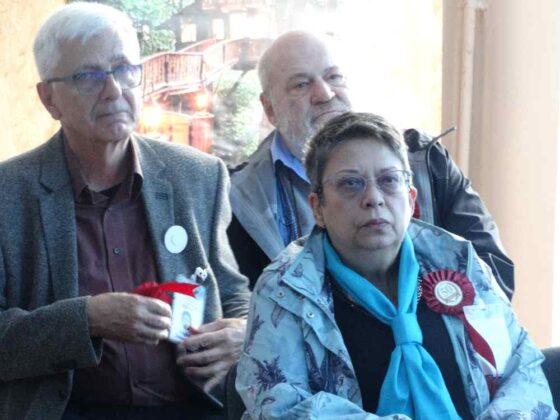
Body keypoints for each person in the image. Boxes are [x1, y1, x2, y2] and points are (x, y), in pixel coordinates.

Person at [0, 3, 249, 419]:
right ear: (49, 99)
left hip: (193, 407)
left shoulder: (199, 176)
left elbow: (231, 291)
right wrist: (87, 320)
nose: (114, 90)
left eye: (124, 69)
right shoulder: (9, 194)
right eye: (88, 76)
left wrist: (243, 331)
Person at [236, 112, 555, 419]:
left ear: (411, 199)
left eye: (389, 180)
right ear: (317, 207)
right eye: (350, 184)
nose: (373, 198)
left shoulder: (458, 259)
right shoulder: (284, 288)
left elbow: (521, 365)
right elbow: (278, 406)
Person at [228, 31, 514, 299]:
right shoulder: (235, 197)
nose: (325, 94)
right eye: (301, 84)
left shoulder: (424, 159)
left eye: (334, 76)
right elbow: (234, 303)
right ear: (269, 108)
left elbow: (493, 273)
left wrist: (422, 316)